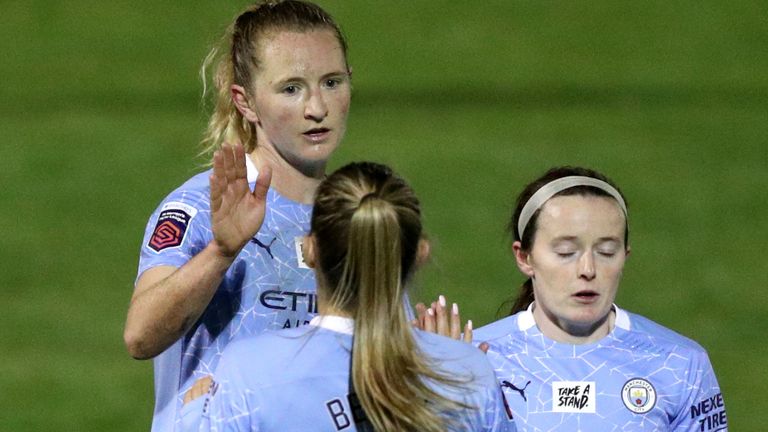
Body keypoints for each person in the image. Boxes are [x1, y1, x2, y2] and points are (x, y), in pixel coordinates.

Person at [123, 1, 352, 430]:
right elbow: (140, 335)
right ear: (245, 102)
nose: (317, 107)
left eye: (332, 82)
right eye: (291, 89)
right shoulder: (199, 207)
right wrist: (222, 251)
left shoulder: (358, 217)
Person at [195, 161, 517, 432]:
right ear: (419, 253)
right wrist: (449, 363)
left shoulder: (247, 371)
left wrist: (193, 406)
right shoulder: (468, 372)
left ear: (310, 250)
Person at [471, 166, 728, 431]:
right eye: (565, 251)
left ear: (624, 256)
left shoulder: (680, 363)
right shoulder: (474, 361)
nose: (588, 270)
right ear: (525, 257)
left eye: (606, 252)